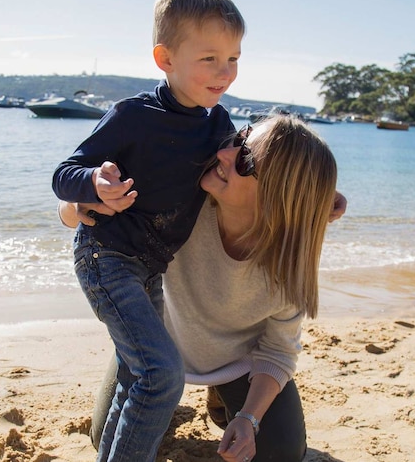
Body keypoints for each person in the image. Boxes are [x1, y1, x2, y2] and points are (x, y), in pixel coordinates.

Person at [62, 115, 341, 462]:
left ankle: (223, 399)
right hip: (155, 350)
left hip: (239, 361)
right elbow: (79, 211)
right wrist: (77, 207)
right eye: (238, 137)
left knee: (281, 454)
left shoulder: (288, 260)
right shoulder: (177, 200)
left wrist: (248, 418)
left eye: (245, 160)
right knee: (103, 435)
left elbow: (278, 350)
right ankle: (168, 393)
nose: (225, 153)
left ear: (277, 197)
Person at [51, 0, 246, 461]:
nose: (225, 72)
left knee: (139, 375)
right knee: (161, 375)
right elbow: (63, 176)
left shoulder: (216, 123)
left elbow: (261, 159)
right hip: (106, 257)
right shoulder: (132, 116)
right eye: (210, 59)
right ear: (165, 58)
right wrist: (95, 182)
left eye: (234, 59)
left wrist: (323, 195)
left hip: (150, 267)